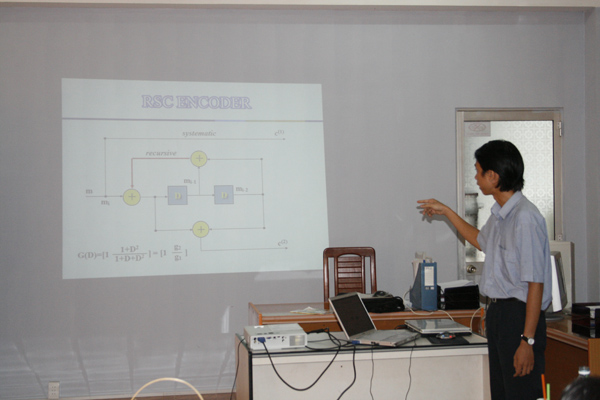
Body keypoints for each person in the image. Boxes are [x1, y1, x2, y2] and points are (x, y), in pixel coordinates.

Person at [417, 140, 553, 400]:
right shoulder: (501, 214)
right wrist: (447, 212)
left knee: (521, 393)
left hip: (520, 317)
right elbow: (480, 240)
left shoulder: (525, 217)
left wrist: (527, 341)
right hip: (500, 314)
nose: (476, 178)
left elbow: (535, 283)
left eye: (479, 172)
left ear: (493, 176)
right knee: (501, 393)